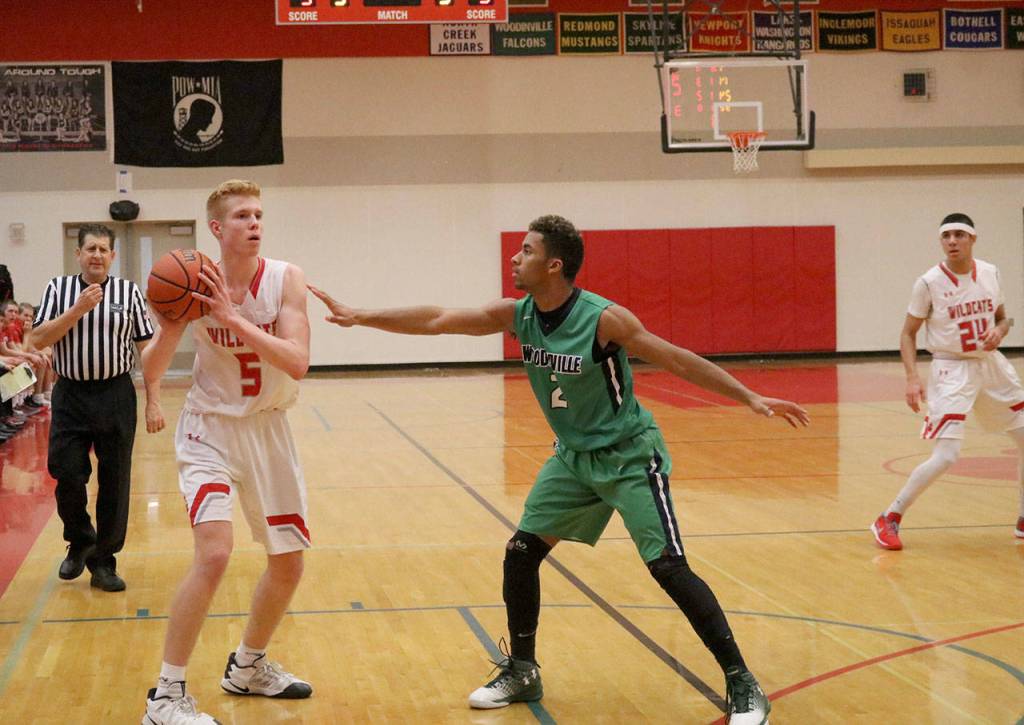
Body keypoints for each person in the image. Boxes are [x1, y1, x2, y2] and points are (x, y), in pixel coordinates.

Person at [310, 214, 810, 724]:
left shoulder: (604, 319)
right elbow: (438, 317)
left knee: (668, 567)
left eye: (525, 251)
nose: (514, 257)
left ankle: (743, 683)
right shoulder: (518, 313)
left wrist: (748, 395)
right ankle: (522, 669)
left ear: (554, 265)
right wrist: (361, 315)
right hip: (572, 459)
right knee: (521, 553)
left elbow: (675, 358)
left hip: (629, 456)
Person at [140, 180, 313, 725]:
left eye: (259, 214)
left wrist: (232, 317)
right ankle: (165, 697)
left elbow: (297, 360)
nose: (254, 224)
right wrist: (177, 322)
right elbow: (151, 368)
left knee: (288, 565)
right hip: (208, 427)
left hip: (268, 429)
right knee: (214, 553)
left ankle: (248, 667)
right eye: (242, 216)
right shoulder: (190, 282)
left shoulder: (286, 279)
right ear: (217, 228)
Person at [872, 213, 1024, 550]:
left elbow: (1003, 317)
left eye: (959, 235)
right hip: (950, 369)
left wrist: (1000, 330)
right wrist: (912, 378)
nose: (952, 241)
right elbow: (908, 333)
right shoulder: (928, 282)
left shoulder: (990, 272)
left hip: (989, 365)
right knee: (947, 456)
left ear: (972, 239)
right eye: (946, 236)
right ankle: (889, 517)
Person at [27, 224, 160, 592]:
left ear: (113, 256)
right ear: (78, 254)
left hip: (116, 393)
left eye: (104, 249)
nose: (97, 255)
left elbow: (148, 352)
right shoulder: (58, 289)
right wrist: (78, 309)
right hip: (71, 394)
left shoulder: (129, 292)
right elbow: (37, 337)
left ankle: (104, 560)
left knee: (115, 479)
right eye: (90, 249)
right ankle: (80, 537)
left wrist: (154, 402)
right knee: (65, 470)